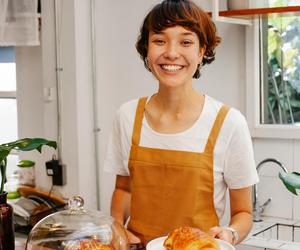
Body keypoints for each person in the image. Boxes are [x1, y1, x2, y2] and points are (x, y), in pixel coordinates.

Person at [104, 0, 258, 247]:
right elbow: (124, 189)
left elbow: (244, 213)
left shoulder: (229, 123)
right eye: (159, 40)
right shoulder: (127, 116)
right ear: (147, 49)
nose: (172, 53)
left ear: (201, 51)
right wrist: (116, 225)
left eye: (186, 42)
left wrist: (230, 232)